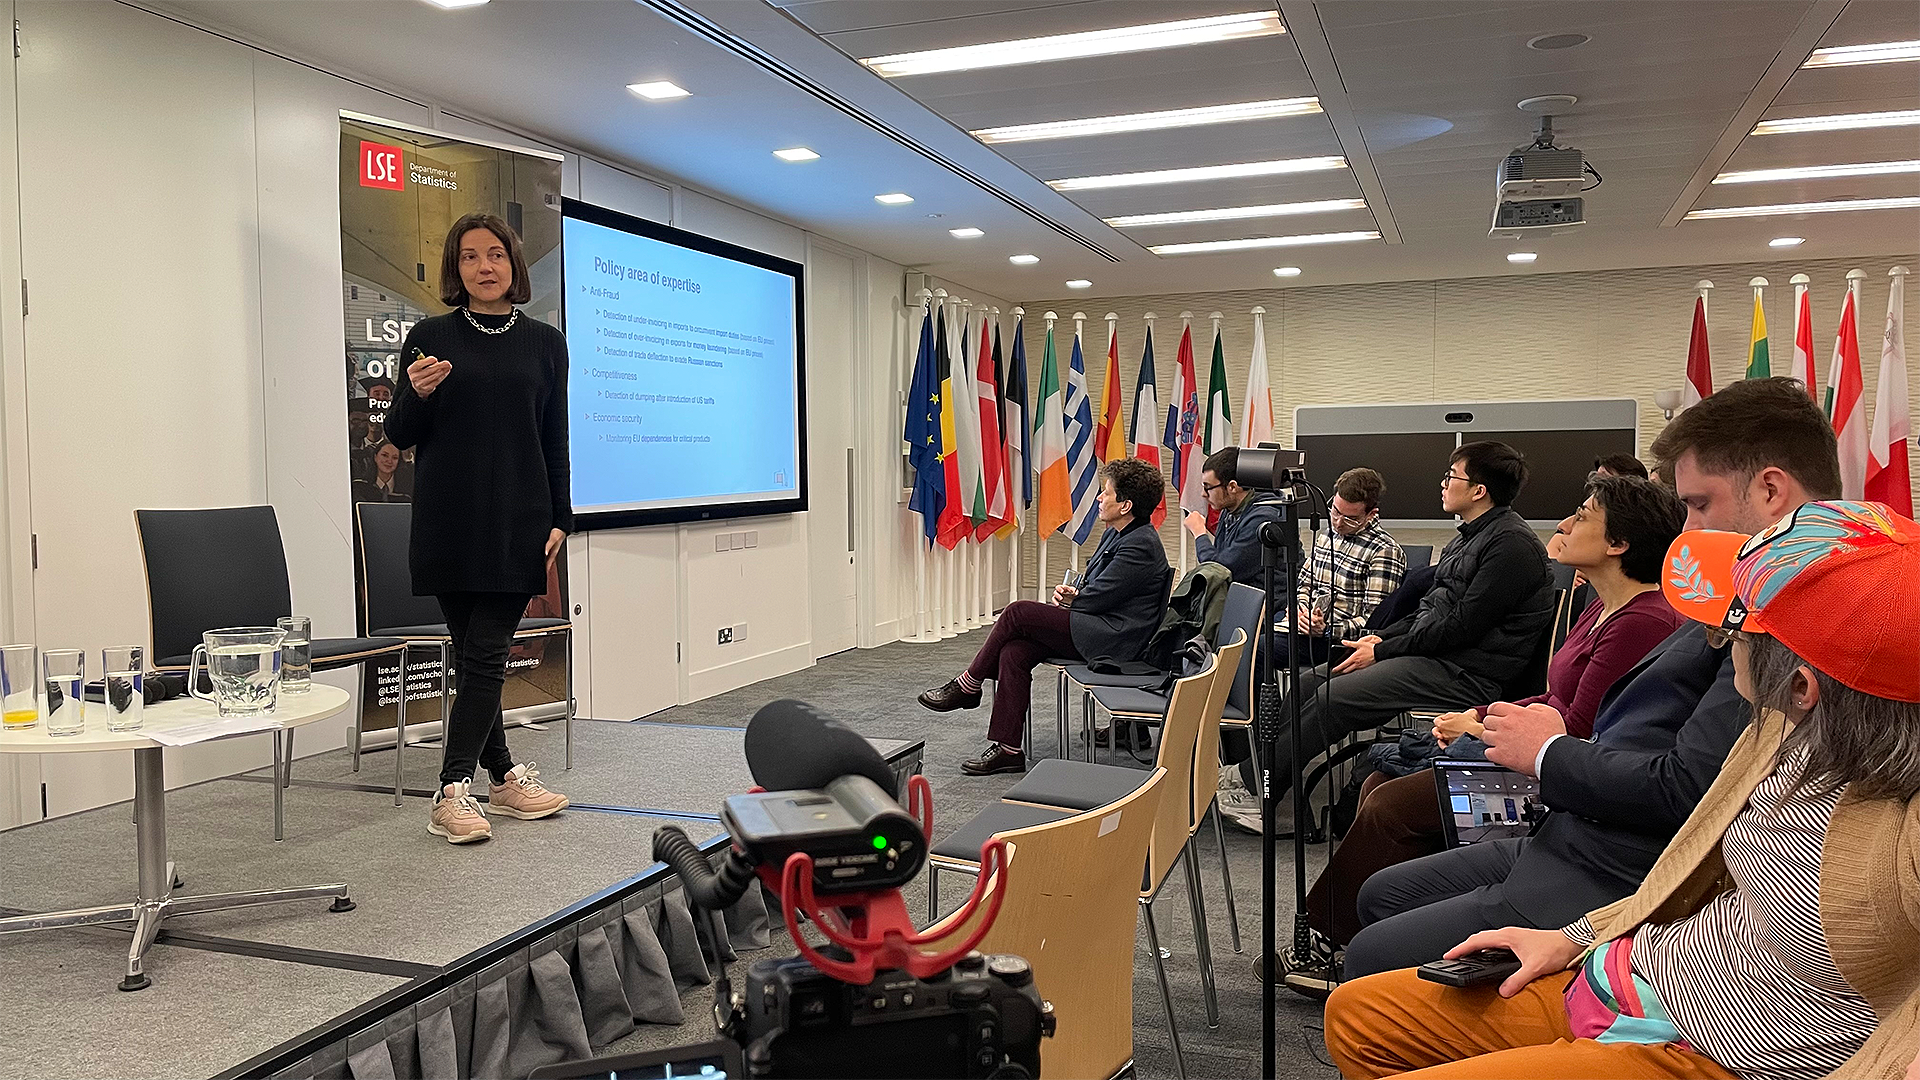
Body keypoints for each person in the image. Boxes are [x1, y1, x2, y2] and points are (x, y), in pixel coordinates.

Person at [1324, 500, 1920, 1080]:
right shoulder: (1782, 742)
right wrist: (1575, 939)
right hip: (1631, 971)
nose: (1718, 640)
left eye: (1737, 630)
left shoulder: (1897, 828)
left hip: (1709, 1049)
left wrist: (1547, 754)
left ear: (1801, 685)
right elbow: (1705, 888)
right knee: (1356, 1017)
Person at [1341, 377, 1842, 978]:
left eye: (1699, 504)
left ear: (1769, 490)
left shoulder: (1781, 626)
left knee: (1371, 947)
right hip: (1575, 833)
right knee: (1379, 892)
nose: (1687, 529)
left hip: (1612, 867)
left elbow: (1688, 789)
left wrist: (1547, 752)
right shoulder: (1729, 604)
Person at [1284, 474, 1686, 995]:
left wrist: (1475, 721)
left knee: (1389, 803)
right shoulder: (1603, 608)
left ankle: (1333, 939)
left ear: (1618, 544)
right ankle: (1378, 939)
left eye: (1581, 515)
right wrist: (1478, 714)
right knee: (1378, 777)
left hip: (1550, 776)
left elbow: (1579, 726)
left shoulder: (1642, 622)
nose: (1563, 523)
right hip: (1524, 743)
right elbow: (1553, 701)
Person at [385, 212, 572, 845]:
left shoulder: (545, 342)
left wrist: (562, 516)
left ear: (514, 265)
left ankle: (450, 789)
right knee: (475, 658)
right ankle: (503, 774)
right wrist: (413, 393)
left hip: (518, 518)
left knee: (486, 652)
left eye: (495, 254)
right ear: (455, 269)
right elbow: (401, 434)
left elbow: (555, 435)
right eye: (469, 257)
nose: (483, 267)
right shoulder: (429, 336)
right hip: (447, 518)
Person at [1258, 442, 1554, 813]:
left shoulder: (1510, 547)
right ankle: (1262, 778)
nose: (1443, 484)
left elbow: (1459, 627)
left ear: (1479, 491)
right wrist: (1380, 638)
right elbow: (1430, 611)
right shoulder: (1472, 537)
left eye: (1452, 476)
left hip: (1466, 672)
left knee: (1332, 698)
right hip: (1439, 657)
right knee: (1309, 683)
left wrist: (1381, 650)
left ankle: (1261, 793)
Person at [919, 458, 1170, 776]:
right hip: (1098, 626)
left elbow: (1096, 600)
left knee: (1017, 612)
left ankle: (968, 685)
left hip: (1114, 641)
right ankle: (1008, 750)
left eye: (1105, 493)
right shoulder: (1118, 533)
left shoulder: (1141, 545)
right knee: (1015, 651)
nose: (1098, 498)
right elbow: (1097, 590)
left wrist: (1075, 599)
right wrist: (1073, 595)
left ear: (1125, 505)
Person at [1219, 464, 1406, 831]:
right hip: (1305, 632)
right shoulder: (1326, 537)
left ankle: (1256, 768)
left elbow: (1375, 623)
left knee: (1262, 657)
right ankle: (1249, 758)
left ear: (1372, 514)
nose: (1338, 522)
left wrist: (1326, 627)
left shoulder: (1385, 552)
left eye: (1350, 518)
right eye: (1335, 511)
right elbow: (1302, 584)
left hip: (1344, 645)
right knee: (1239, 647)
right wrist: (1300, 610)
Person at [1183, 446, 1294, 584]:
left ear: (1233, 487)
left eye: (1208, 487)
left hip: (1268, 600)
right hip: (1244, 595)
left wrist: (1199, 533)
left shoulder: (1263, 518)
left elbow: (1219, 570)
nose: (1203, 494)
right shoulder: (1230, 510)